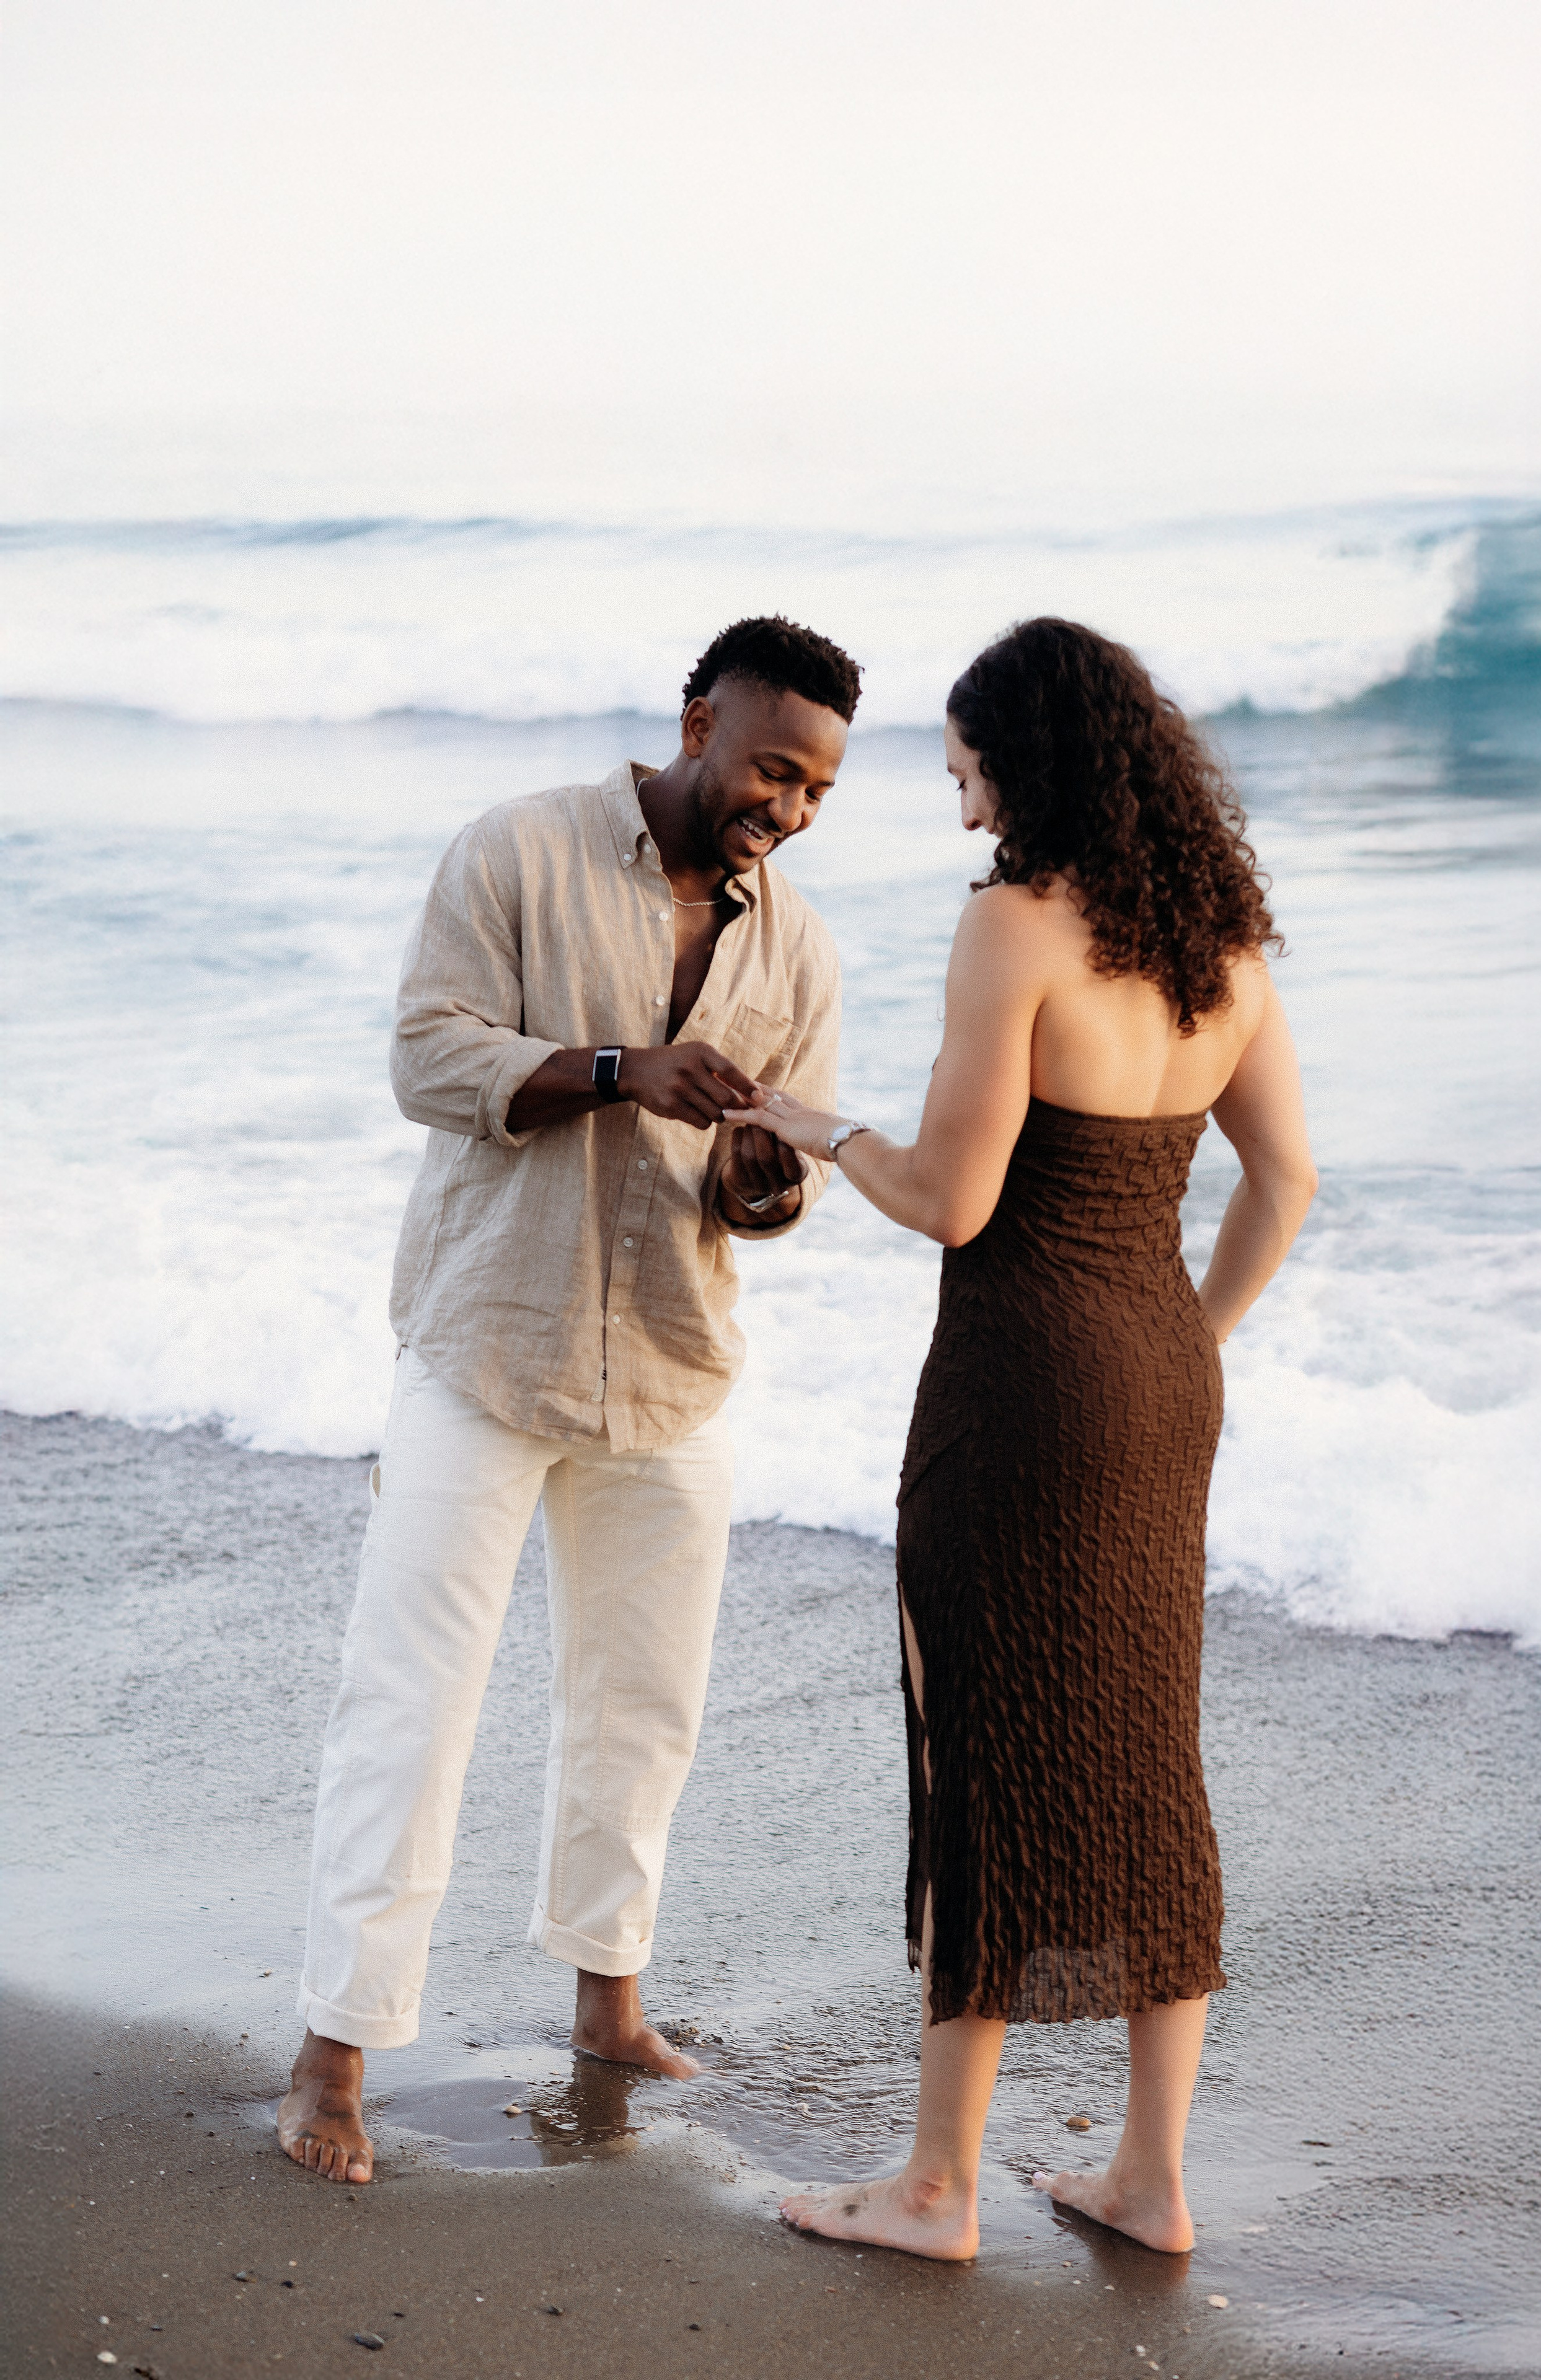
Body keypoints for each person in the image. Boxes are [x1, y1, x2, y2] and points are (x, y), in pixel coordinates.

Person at [727, 616, 1318, 2262]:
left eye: (968, 775)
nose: (968, 815)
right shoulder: (1229, 943)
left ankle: (936, 2186)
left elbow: (954, 1201)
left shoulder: (1013, 930)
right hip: (1160, 1382)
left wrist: (813, 1120)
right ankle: (1150, 2177)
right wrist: (1179, 1343)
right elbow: (1287, 1183)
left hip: (1019, 1386)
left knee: (979, 1751)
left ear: (1027, 764)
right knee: (1148, 1761)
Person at [277, 615, 862, 2184]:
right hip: (487, 1340)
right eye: (769, 768)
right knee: (409, 1704)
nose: (787, 808)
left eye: (815, 789)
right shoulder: (518, 851)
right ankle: (333, 2054)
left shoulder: (796, 947)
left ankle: (609, 2001)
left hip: (673, 1367)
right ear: (696, 723)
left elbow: (773, 1189)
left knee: (641, 1706)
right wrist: (618, 1071)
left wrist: (757, 1180)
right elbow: (425, 1059)